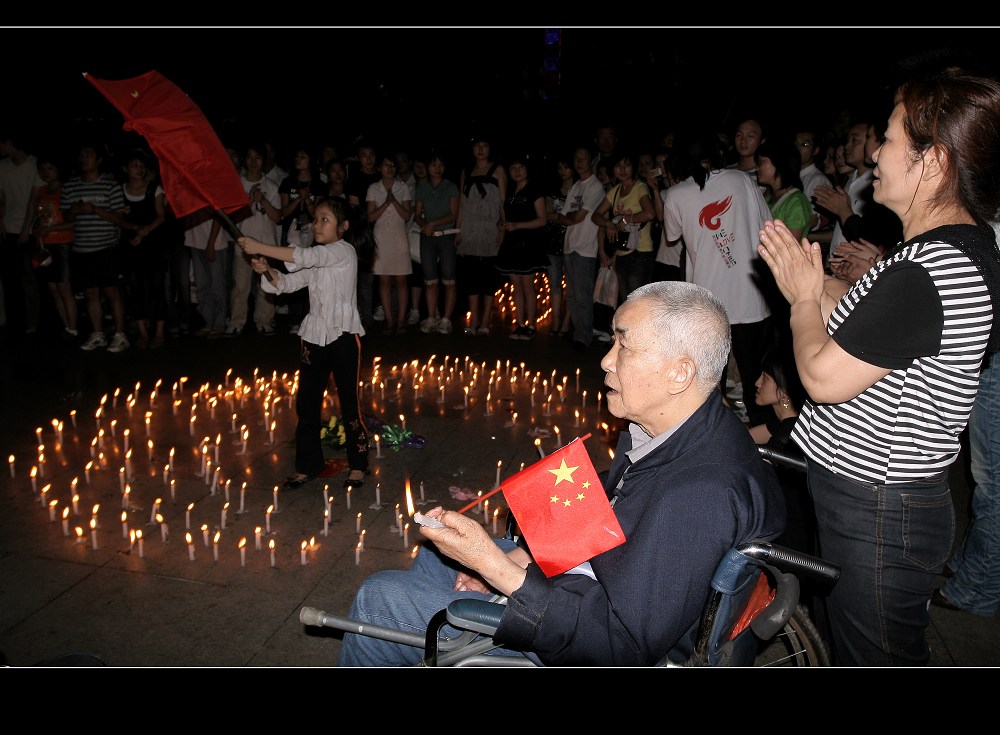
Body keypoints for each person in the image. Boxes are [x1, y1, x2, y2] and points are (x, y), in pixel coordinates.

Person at [337, 280, 786, 666]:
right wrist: (520, 560)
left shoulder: (698, 495)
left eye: (624, 346)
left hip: (590, 634)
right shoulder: (678, 429)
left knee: (379, 600)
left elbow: (621, 647)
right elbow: (603, 531)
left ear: (679, 373)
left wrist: (499, 570)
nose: (607, 361)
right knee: (437, 556)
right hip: (593, 581)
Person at [757, 72, 1000, 666]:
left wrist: (802, 299)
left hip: (880, 515)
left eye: (888, 140)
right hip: (874, 503)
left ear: (933, 161)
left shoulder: (931, 269)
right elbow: (883, 325)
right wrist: (828, 284)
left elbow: (821, 375)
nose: (873, 154)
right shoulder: (944, 249)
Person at [238, 197, 370, 493]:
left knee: (350, 404)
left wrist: (259, 246)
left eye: (326, 219)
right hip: (314, 337)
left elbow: (305, 257)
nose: (317, 224)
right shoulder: (318, 256)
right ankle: (308, 465)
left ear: (343, 227)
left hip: (343, 337)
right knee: (307, 404)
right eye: (316, 219)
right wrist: (266, 270)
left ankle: (358, 464)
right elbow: (285, 283)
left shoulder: (343, 252)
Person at [663, 130, 775, 427]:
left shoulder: (675, 195)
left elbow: (672, 235)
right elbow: (768, 222)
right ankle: (764, 446)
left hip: (708, 303)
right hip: (751, 296)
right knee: (755, 379)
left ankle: (711, 438)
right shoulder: (741, 180)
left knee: (710, 382)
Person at [61, 142, 129, 353]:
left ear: (98, 160)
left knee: (111, 291)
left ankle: (120, 334)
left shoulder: (110, 185)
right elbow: (67, 216)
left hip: (106, 247)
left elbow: (119, 218)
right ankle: (98, 333)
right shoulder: (71, 186)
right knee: (90, 293)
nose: (84, 158)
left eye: (89, 154)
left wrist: (95, 209)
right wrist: (74, 211)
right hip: (82, 248)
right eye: (82, 155)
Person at [226, 142, 280, 338]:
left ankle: (264, 320)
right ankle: (236, 321)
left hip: (266, 244)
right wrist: (249, 201)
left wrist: (262, 200)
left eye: (257, 157)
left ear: (263, 160)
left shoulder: (271, 186)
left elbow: (277, 217)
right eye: (249, 157)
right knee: (240, 286)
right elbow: (231, 219)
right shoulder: (237, 184)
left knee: (266, 284)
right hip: (244, 245)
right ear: (244, 160)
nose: (253, 162)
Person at [117, 148, 169, 350]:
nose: (138, 169)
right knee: (134, 290)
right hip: (130, 245)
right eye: (133, 166)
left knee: (157, 289)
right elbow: (118, 218)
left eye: (141, 166)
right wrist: (133, 228)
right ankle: (142, 333)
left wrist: (146, 230)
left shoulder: (154, 189)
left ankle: (159, 332)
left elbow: (161, 216)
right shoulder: (120, 189)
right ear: (125, 169)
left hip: (153, 245)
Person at [22, 150, 76, 342]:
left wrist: (52, 228)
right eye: (42, 169)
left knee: (64, 288)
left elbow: (74, 221)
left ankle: (74, 327)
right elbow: (40, 216)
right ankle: (67, 326)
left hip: (62, 244)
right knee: (53, 289)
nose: (45, 172)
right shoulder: (42, 191)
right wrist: (37, 229)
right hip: (45, 245)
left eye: (50, 168)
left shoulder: (67, 190)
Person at [554, 146, 605, 352]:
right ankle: (577, 332)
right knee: (572, 294)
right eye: (577, 158)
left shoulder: (595, 187)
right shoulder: (575, 186)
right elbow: (561, 217)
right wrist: (569, 218)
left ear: (591, 161)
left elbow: (578, 216)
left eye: (584, 158)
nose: (580, 162)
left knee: (583, 294)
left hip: (585, 247)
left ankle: (584, 336)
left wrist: (569, 218)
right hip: (569, 245)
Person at [456, 135, 506, 336]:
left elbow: (502, 203)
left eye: (485, 145)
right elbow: (461, 203)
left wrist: (502, 229)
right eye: (478, 146)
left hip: (489, 230)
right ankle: (473, 319)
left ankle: (485, 320)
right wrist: (458, 231)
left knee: (488, 279)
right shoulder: (466, 171)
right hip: (469, 229)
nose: (481, 150)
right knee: (471, 278)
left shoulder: (498, 170)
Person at [495, 153, 549, 340]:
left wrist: (517, 225)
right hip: (511, 243)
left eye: (520, 167)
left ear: (527, 169)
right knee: (515, 286)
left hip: (528, 243)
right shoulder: (510, 192)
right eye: (513, 168)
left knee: (527, 286)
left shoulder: (535, 190)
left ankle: (531, 325)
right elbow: (505, 217)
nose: (517, 171)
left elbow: (542, 220)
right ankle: (519, 323)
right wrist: (501, 226)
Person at [367, 152, 412, 336]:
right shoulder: (373, 188)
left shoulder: (403, 188)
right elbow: (370, 217)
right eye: (386, 165)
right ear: (380, 167)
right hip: (381, 237)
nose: (390, 168)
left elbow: (407, 215)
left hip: (399, 238)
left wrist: (394, 201)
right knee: (384, 280)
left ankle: (401, 320)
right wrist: (386, 204)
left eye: (393, 165)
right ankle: (389, 319)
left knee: (401, 280)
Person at [415, 150, 460, 335]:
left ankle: (447, 319)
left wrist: (432, 223)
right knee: (430, 280)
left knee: (449, 279)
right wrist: (426, 225)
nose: (438, 168)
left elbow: (453, 214)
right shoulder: (422, 187)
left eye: (441, 165)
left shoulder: (450, 187)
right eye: (434, 165)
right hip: (427, 237)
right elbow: (417, 215)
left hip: (446, 235)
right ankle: (432, 316)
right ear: (427, 167)